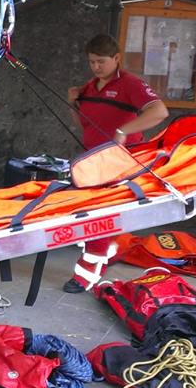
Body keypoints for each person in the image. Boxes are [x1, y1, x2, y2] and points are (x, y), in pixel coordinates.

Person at [63, 33, 169, 293]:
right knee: (92, 214)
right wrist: (72, 104)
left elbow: (159, 111)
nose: (96, 67)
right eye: (92, 62)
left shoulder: (131, 84)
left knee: (100, 214)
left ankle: (86, 275)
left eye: (101, 61)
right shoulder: (89, 87)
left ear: (116, 58)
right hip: (93, 159)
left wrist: (124, 130)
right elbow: (84, 124)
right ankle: (110, 252)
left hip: (122, 160)